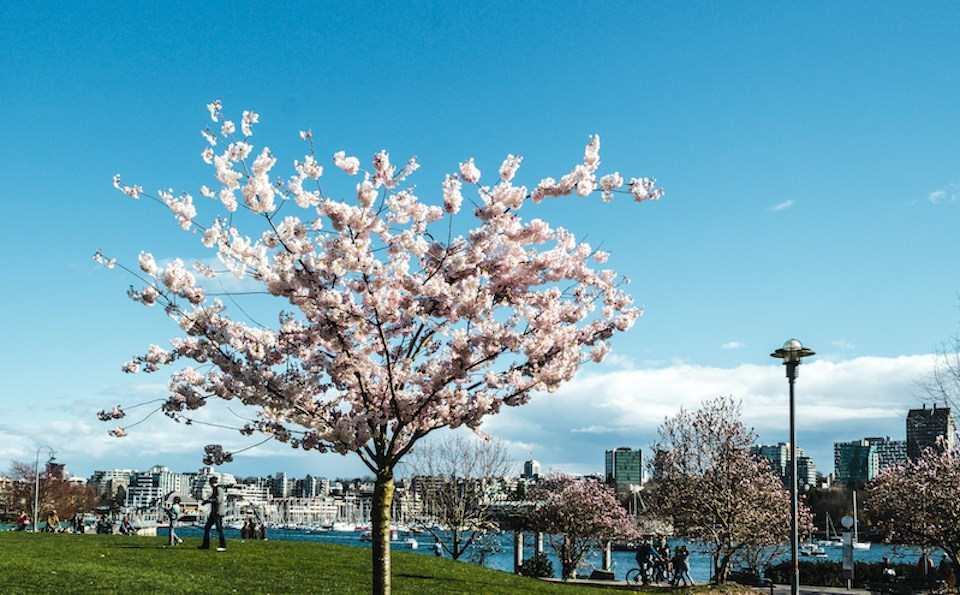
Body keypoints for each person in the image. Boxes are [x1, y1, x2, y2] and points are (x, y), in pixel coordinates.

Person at [199, 476, 227, 552]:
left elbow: (217, 500)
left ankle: (223, 545)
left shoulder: (219, 489)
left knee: (219, 529)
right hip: (214, 513)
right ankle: (205, 545)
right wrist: (206, 501)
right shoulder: (215, 489)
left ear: (211, 483)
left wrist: (208, 501)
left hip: (218, 513)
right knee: (207, 528)